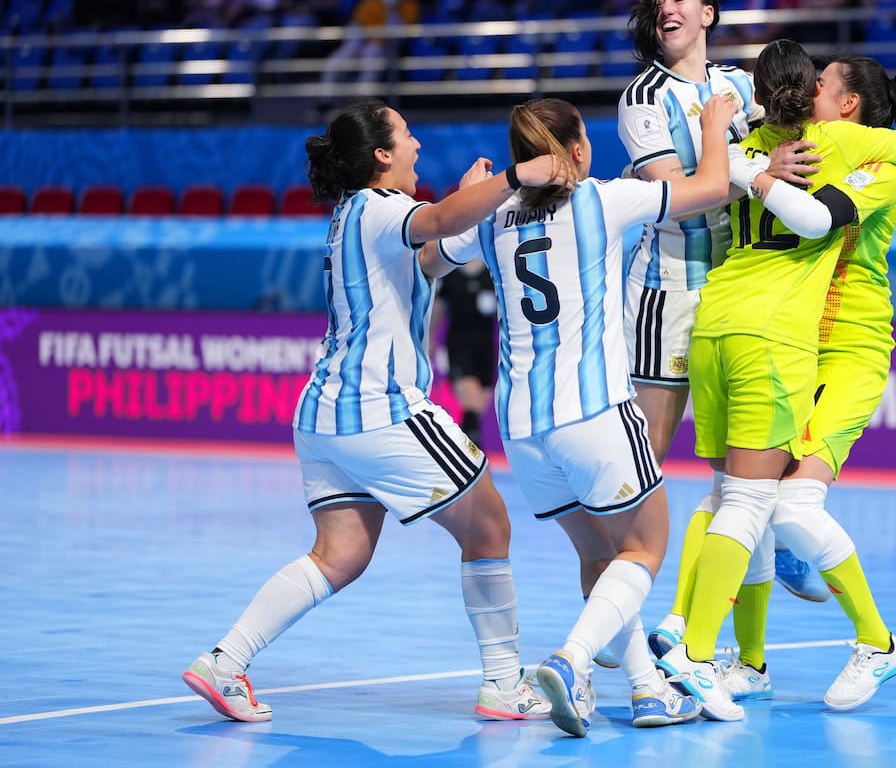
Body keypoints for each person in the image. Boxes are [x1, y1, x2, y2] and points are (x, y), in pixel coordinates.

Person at [417, 92, 801, 737]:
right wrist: (713, 126)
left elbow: (429, 261)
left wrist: (470, 196)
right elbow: (711, 188)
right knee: (645, 546)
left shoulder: (491, 215)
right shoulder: (600, 198)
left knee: (600, 555)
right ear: (577, 150)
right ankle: (572, 660)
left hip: (524, 429)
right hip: (592, 410)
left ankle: (647, 690)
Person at [181, 98, 575, 724]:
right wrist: (515, 176)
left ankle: (224, 662)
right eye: (408, 135)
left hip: (323, 416)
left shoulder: (355, 214)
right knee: (489, 527)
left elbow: (432, 253)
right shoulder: (380, 205)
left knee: (339, 556)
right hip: (380, 408)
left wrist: (474, 204)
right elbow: (440, 218)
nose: (418, 145)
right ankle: (503, 683)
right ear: (382, 155)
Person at [652, 39, 896, 720]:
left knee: (788, 506)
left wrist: (745, 164)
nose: (809, 91)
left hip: (849, 351)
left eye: (822, 83)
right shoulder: (800, 142)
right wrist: (747, 151)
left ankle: (877, 642)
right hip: (793, 339)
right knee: (740, 495)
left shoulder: (872, 163)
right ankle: (746, 663)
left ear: (849, 104)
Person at [606, 0, 831, 614]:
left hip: (738, 290)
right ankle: (613, 599)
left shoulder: (739, 84)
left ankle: (770, 556)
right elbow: (678, 193)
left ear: (707, 13)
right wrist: (761, 174)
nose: (666, 9)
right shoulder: (643, 98)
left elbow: (796, 134)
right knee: (646, 457)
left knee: (745, 457)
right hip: (668, 291)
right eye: (657, 2)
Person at [434, 258, 497, 448]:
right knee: (471, 401)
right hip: (458, 346)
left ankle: (467, 449)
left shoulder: (491, 271)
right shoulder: (450, 272)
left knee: (479, 406)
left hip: (486, 349)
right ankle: (468, 454)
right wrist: (430, 340)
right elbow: (438, 309)